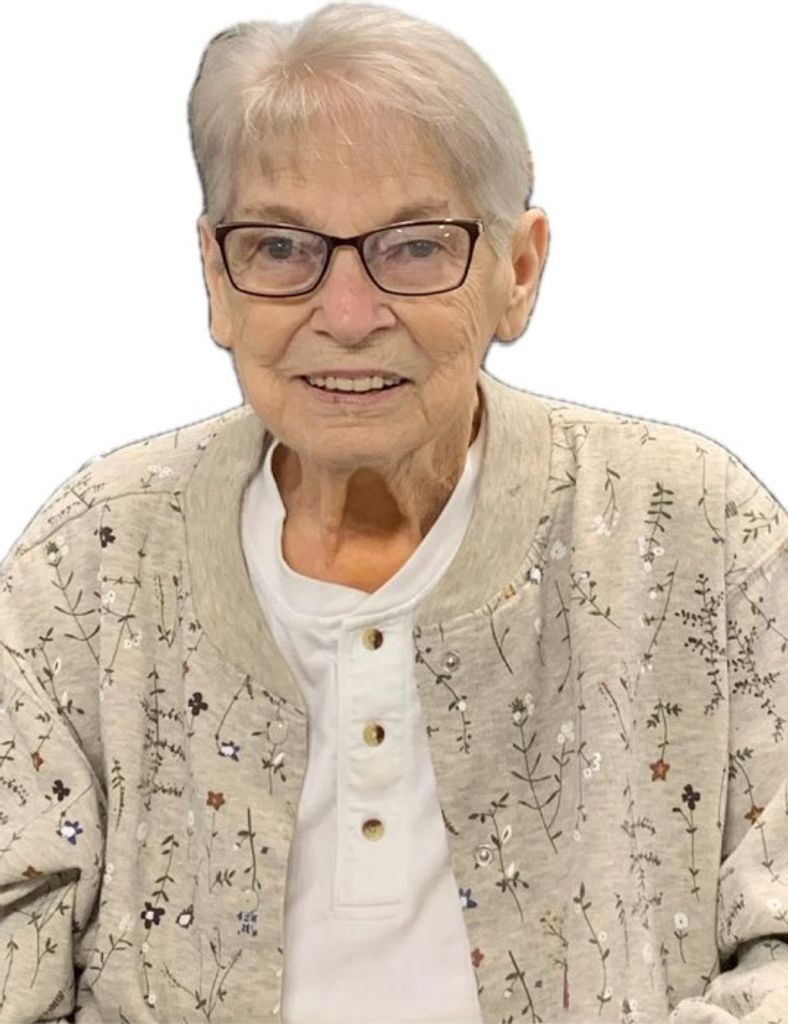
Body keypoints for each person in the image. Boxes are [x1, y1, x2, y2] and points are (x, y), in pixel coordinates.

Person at [1, 3, 786, 1021]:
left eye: (414, 248)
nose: (346, 315)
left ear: (517, 270)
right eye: (280, 247)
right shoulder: (90, 557)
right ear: (216, 278)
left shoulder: (692, 531)